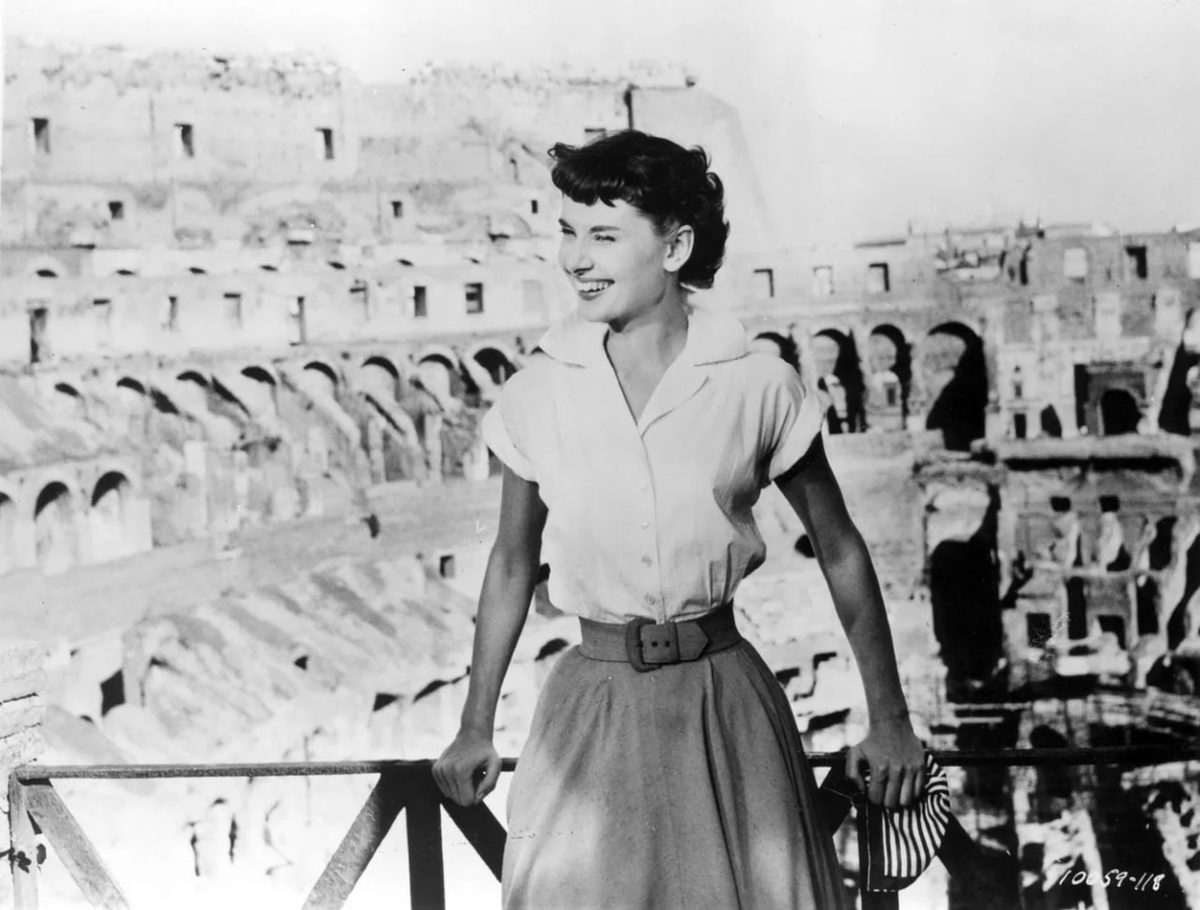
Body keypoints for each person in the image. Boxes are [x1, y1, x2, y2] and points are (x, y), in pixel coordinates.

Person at [433, 129, 925, 908]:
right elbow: (511, 564)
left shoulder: (757, 385)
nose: (575, 259)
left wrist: (890, 719)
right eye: (568, 232)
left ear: (675, 247)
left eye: (603, 235)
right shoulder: (537, 393)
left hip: (725, 711)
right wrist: (474, 725)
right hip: (589, 717)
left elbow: (840, 550)